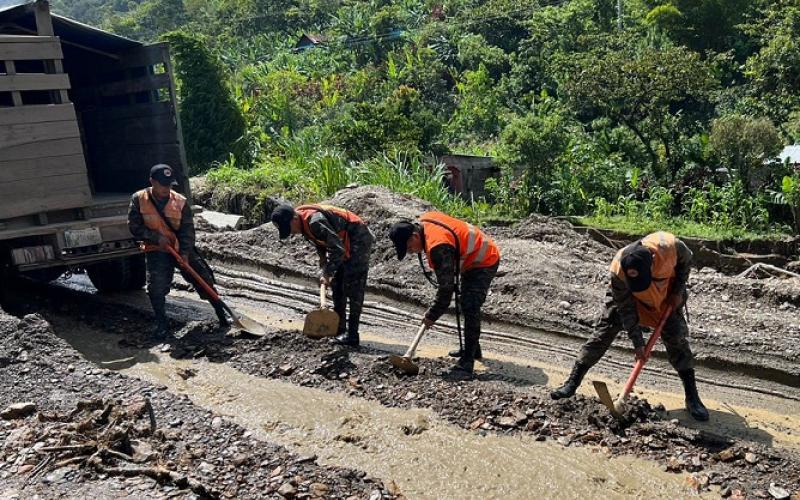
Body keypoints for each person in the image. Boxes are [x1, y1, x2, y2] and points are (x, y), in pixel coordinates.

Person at [550, 231, 709, 421]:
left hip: (665, 295)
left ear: (652, 261)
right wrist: (638, 344)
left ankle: (692, 398)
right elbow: (626, 310)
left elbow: (686, 261)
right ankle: (571, 383)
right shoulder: (618, 272)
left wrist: (678, 289)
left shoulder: (670, 246)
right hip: (628, 298)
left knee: (676, 339)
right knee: (604, 331)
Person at [388, 212, 500, 379]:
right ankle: (472, 349)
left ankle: (467, 362)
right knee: (465, 302)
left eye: (409, 247)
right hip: (471, 257)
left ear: (415, 235)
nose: (410, 252)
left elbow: (445, 292)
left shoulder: (438, 246)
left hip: (484, 259)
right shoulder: (424, 223)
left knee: (470, 305)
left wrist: (431, 315)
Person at [128, 164, 228, 338]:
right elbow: (135, 227)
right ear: (152, 182)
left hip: (180, 248)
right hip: (157, 250)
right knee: (156, 288)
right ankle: (162, 326)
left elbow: (187, 231)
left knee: (204, 279)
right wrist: (155, 237)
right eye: (163, 185)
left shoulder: (180, 201)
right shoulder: (139, 199)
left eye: (169, 185)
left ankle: (223, 318)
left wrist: (184, 254)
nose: (167, 189)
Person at [271, 203, 374, 346]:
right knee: (337, 286)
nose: (292, 232)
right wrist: (323, 262)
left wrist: (327, 273)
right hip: (341, 242)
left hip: (358, 237)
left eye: (289, 228)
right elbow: (321, 241)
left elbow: (337, 249)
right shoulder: (303, 222)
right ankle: (339, 330)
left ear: (294, 218)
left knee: (354, 285)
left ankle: (352, 335)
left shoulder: (315, 221)